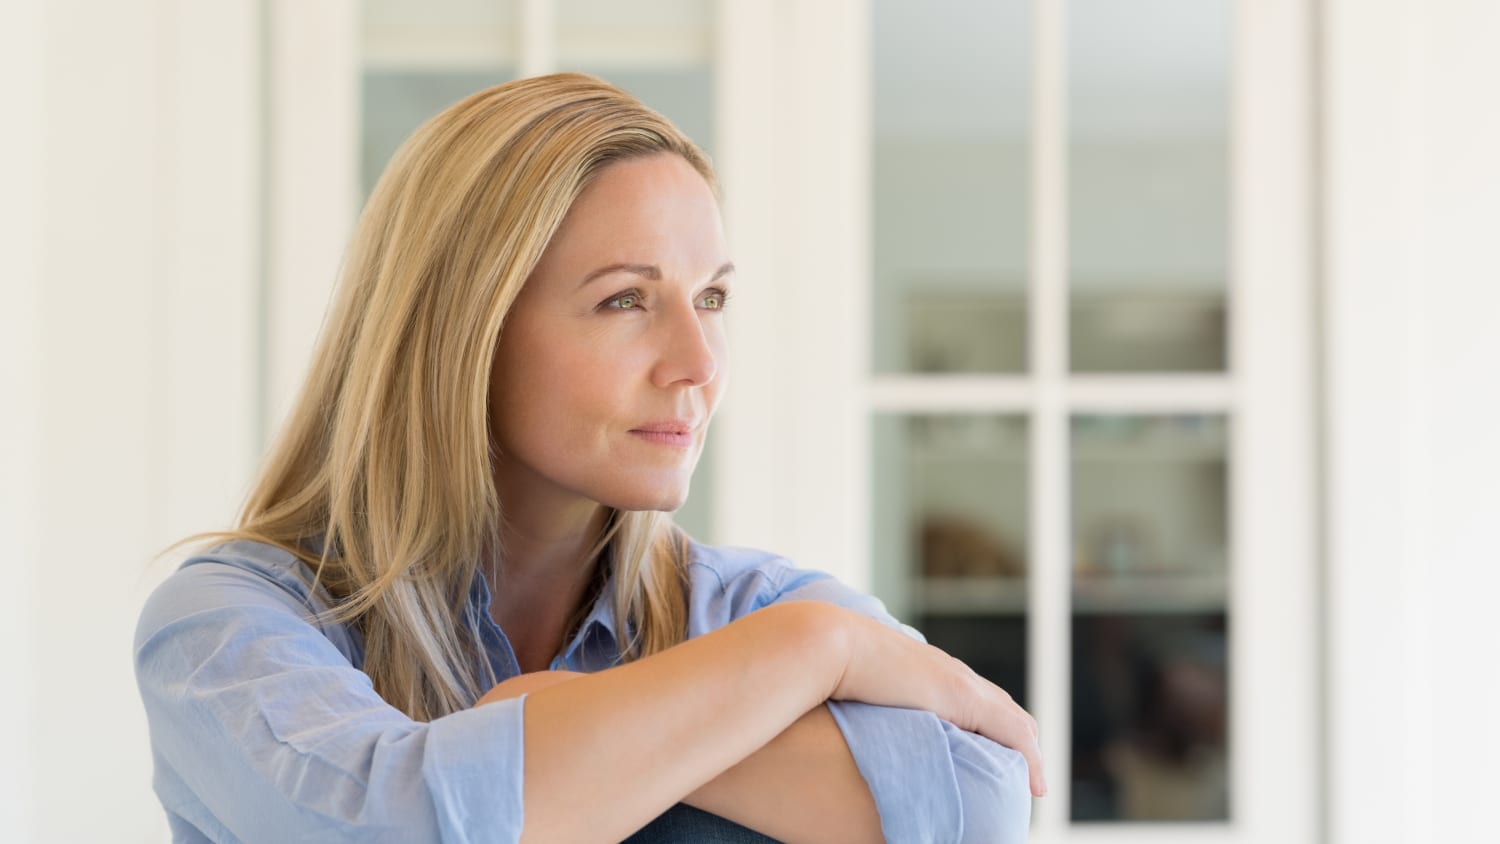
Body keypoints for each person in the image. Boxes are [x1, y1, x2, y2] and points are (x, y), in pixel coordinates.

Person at [133, 72, 1043, 844]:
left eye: (713, 297)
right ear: (465, 331)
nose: (698, 364)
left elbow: (979, 800)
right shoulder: (225, 625)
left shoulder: (757, 612)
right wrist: (813, 659)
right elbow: (404, 821)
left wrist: (549, 723)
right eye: (624, 301)